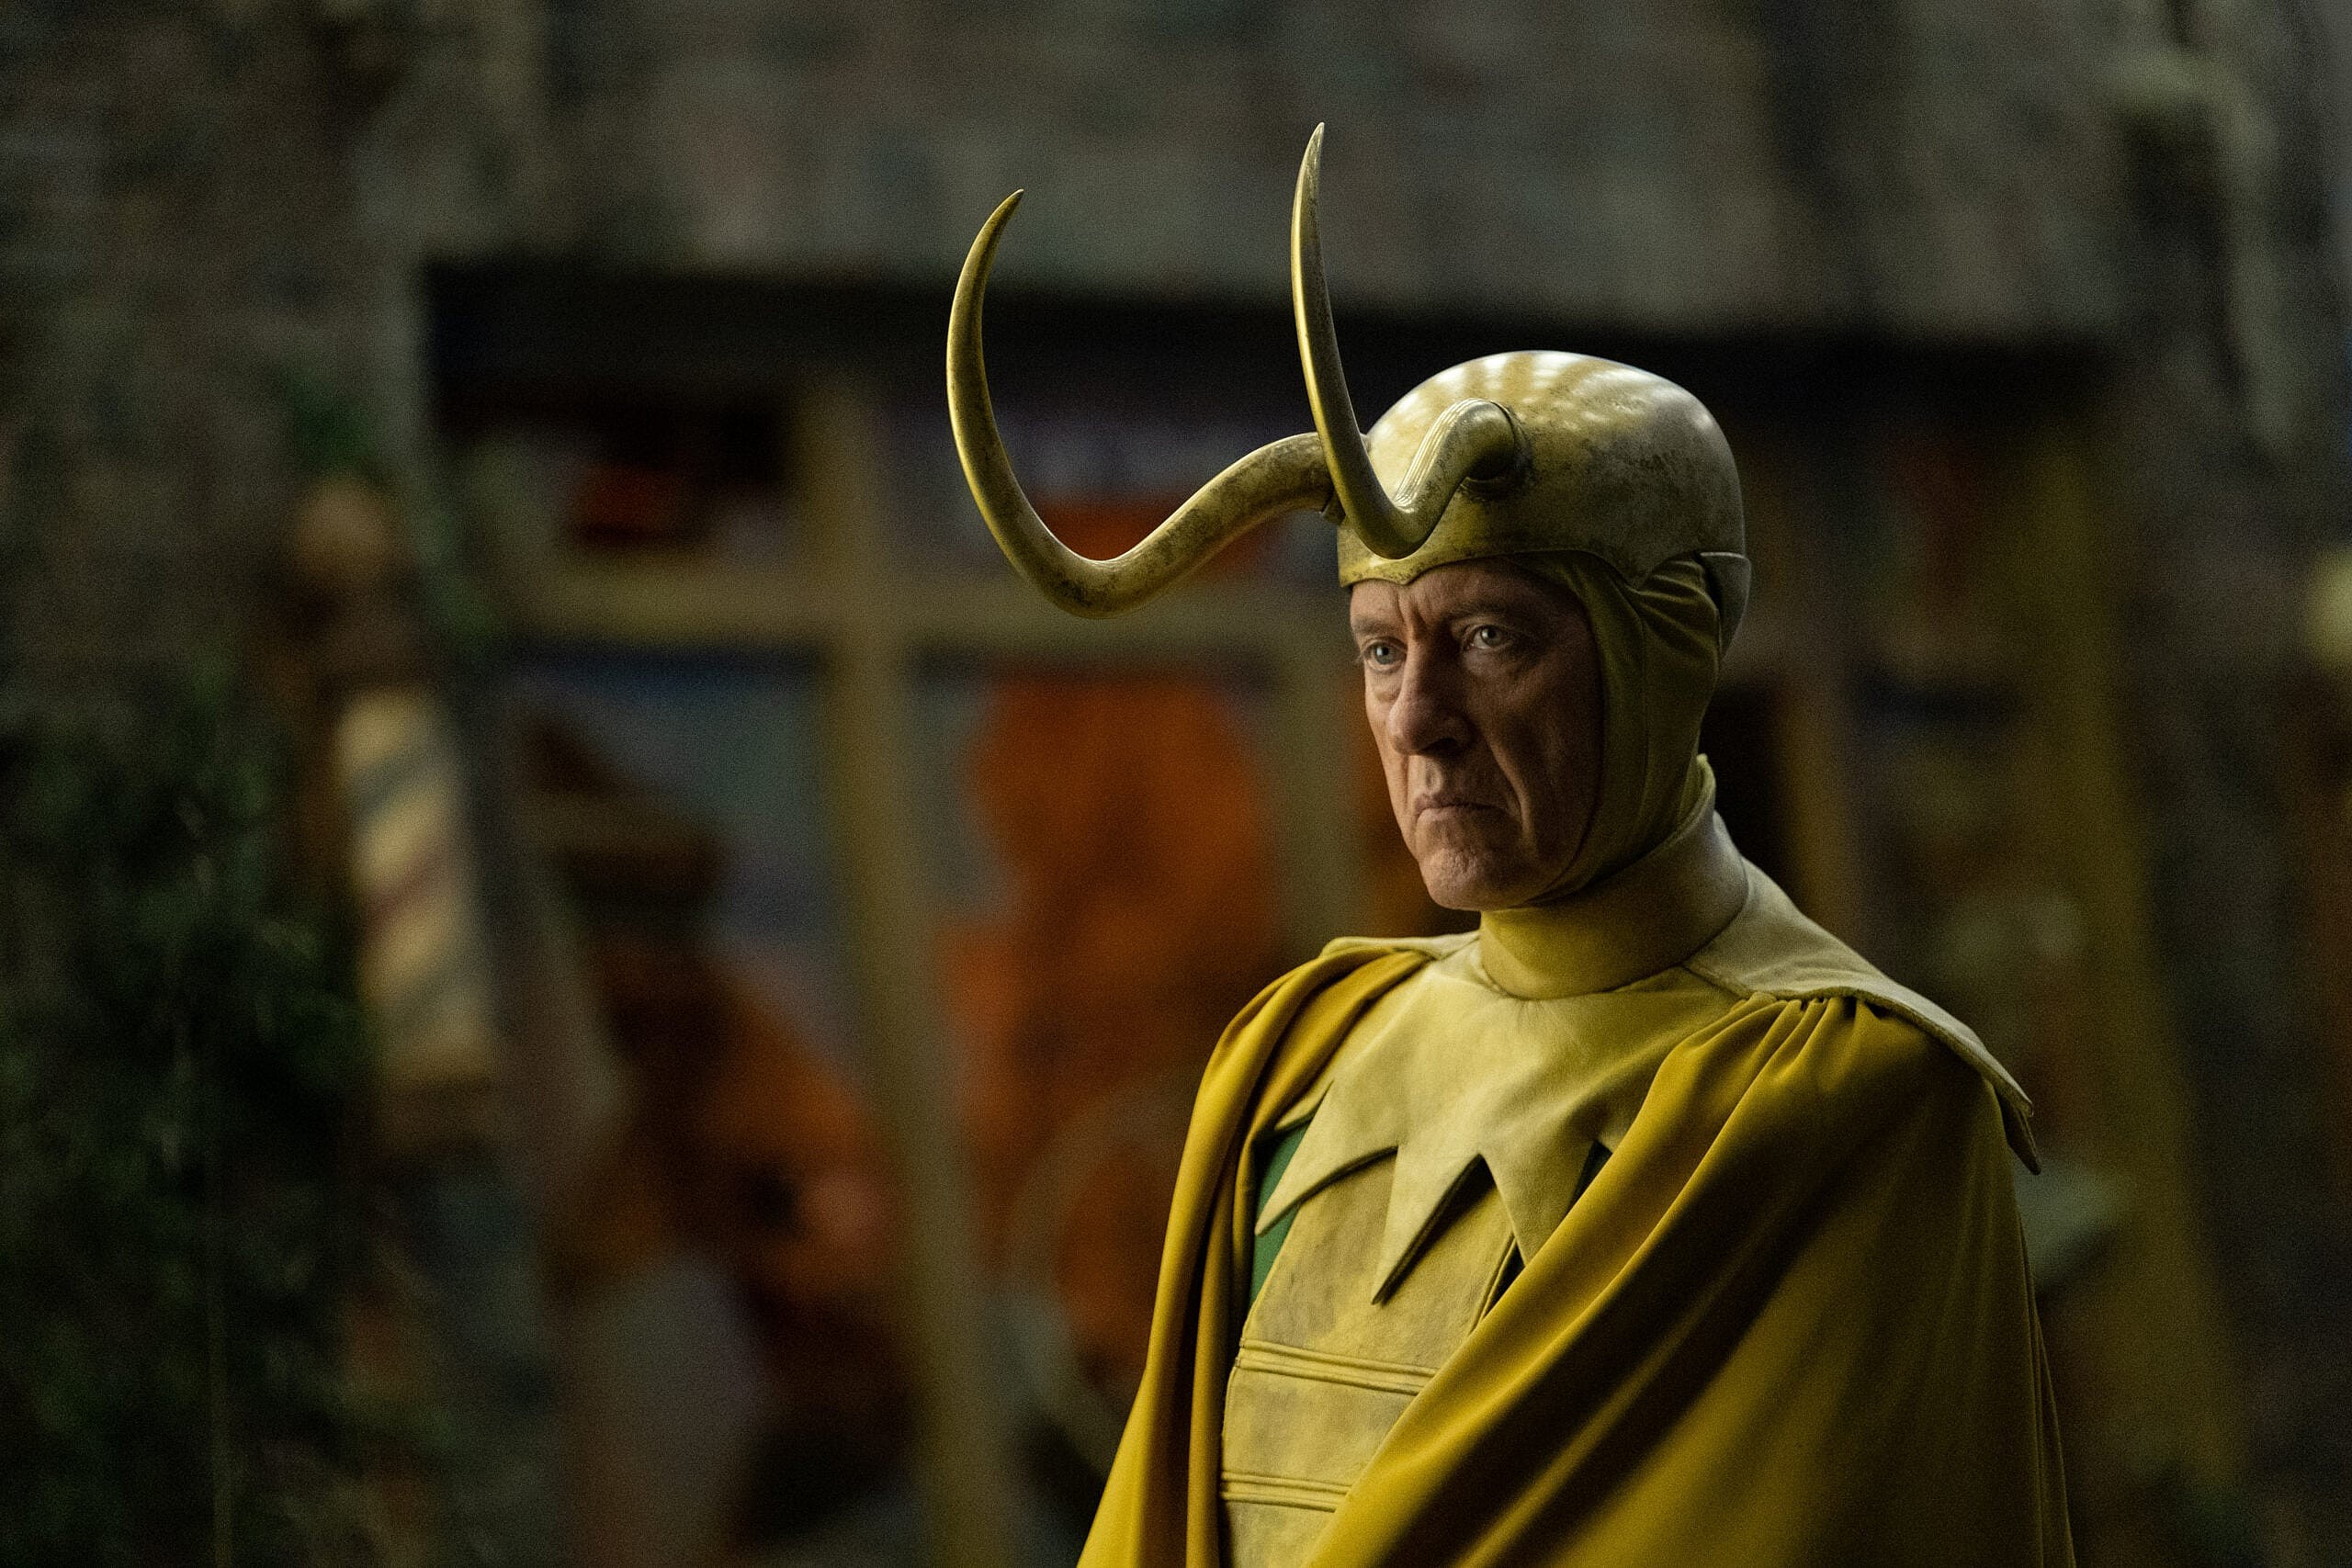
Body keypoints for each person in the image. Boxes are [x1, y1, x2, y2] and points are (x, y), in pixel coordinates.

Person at [946, 128, 2074, 1567]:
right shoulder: (1298, 1053)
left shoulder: (1847, 1094)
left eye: (1489, 637)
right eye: (1379, 648)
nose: (1419, 721)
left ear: (1668, 645)